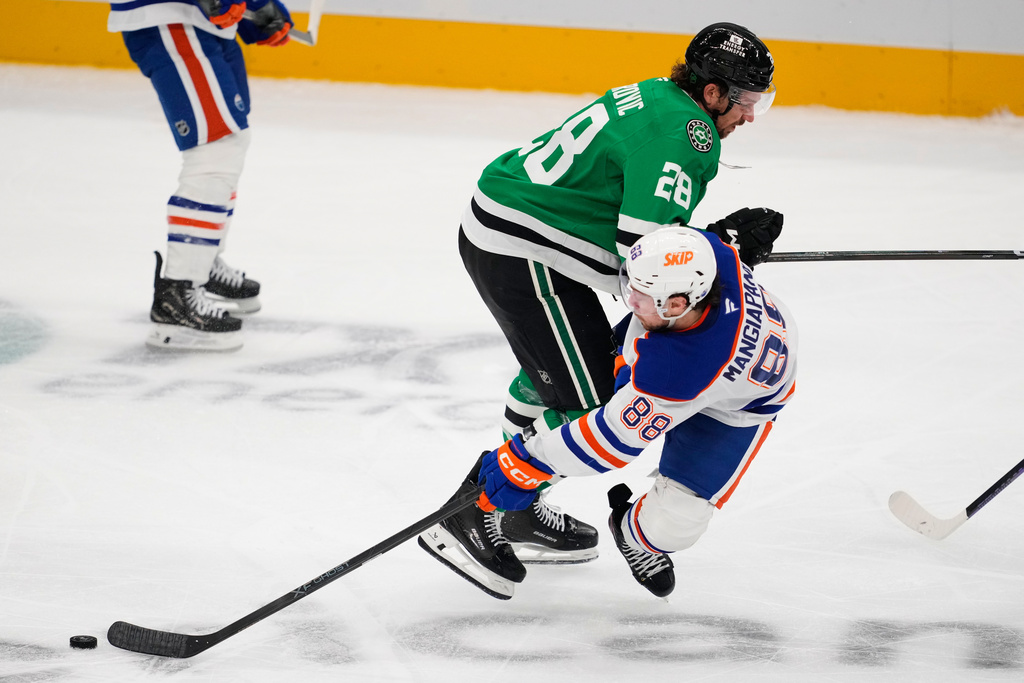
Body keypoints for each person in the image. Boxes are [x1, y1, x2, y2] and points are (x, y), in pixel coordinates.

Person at [447, 22, 785, 566]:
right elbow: (645, 259)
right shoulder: (687, 135)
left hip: (515, 231)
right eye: (744, 100)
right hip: (524, 250)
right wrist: (721, 245)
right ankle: (476, 507)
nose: (748, 115)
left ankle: (513, 508)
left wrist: (717, 244)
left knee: (557, 369)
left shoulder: (660, 94)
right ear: (713, 91)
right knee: (593, 400)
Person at [420, 226, 798, 599]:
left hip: (735, 409)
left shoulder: (677, 368)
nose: (629, 298)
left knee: (675, 526)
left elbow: (610, 441)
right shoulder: (710, 254)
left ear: (678, 303)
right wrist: (732, 236)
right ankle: (507, 510)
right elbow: (694, 245)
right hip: (685, 350)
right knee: (573, 383)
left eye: (642, 295)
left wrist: (524, 461)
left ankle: (632, 533)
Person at [108, 0, 293, 350]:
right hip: (171, 17)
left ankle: (201, 263)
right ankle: (178, 295)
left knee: (230, 139)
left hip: (206, 23)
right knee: (216, 147)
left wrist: (256, 7)